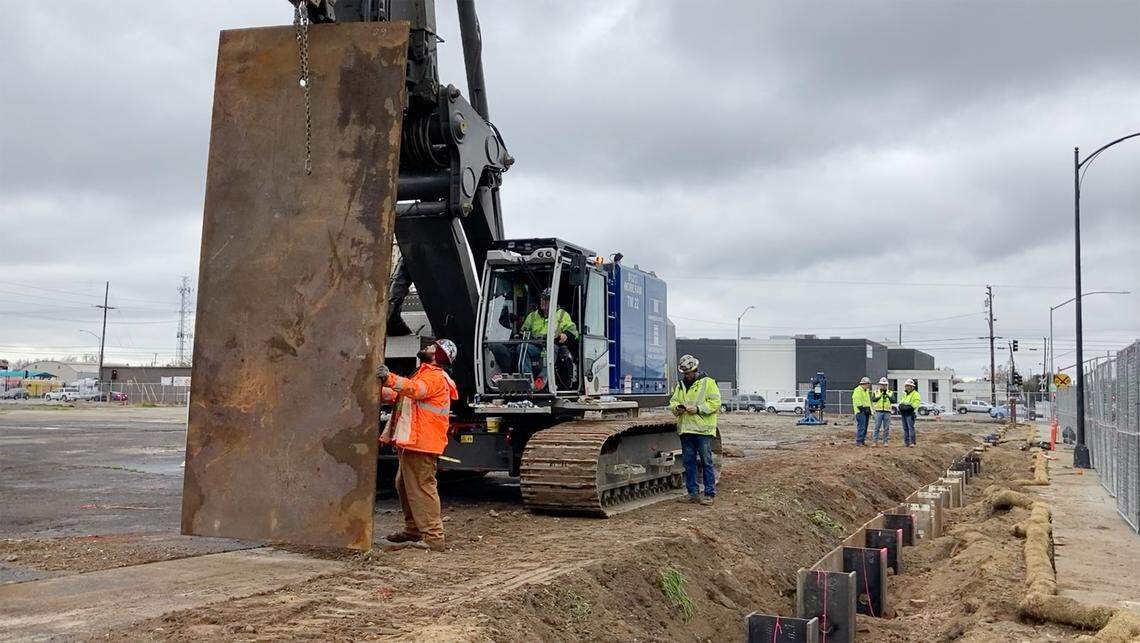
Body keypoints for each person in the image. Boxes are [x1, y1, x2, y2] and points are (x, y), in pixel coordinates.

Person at [377, 338, 459, 552]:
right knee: (404, 485)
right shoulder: (423, 373)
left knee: (421, 488)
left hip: (422, 442)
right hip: (414, 441)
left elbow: (415, 390)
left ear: (438, 356)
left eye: (432, 347)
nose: (427, 347)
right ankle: (413, 530)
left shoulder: (435, 377)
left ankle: (433, 538)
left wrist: (388, 378)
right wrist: (380, 390)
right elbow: (404, 395)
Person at [668, 354, 721, 505]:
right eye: (684, 373)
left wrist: (698, 409)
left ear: (695, 370)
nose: (686, 375)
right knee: (689, 463)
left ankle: (709, 493)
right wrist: (677, 408)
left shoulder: (708, 383)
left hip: (703, 431)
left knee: (706, 462)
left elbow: (715, 403)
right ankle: (693, 493)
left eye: (688, 373)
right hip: (686, 430)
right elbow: (673, 402)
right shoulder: (681, 385)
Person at [519, 287, 579, 387]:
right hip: (535, 346)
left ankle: (541, 380)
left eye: (546, 299)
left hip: (552, 345)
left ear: (553, 301)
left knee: (550, 350)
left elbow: (574, 333)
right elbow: (523, 332)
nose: (543, 301)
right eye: (542, 298)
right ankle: (527, 380)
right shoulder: (532, 316)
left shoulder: (562, 314)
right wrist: (522, 336)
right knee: (522, 347)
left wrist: (565, 335)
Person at [870, 377, 895, 447]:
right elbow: (873, 399)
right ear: (879, 385)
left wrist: (887, 395)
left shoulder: (890, 392)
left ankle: (885, 442)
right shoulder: (876, 392)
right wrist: (881, 395)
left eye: (885, 385)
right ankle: (875, 442)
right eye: (882, 384)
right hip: (878, 411)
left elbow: (893, 400)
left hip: (887, 412)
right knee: (876, 427)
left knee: (886, 428)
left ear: (887, 385)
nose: (883, 386)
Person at [898, 379, 921, 447]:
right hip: (904, 413)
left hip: (910, 413)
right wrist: (901, 407)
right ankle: (906, 442)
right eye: (906, 386)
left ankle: (912, 442)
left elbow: (916, 403)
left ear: (912, 387)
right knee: (905, 428)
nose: (907, 387)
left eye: (908, 386)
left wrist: (909, 407)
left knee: (911, 428)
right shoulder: (904, 394)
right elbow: (901, 402)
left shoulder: (916, 394)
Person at [852, 376, 872, 446]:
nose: (868, 386)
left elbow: (868, 401)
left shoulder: (866, 391)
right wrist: (863, 409)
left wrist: (870, 411)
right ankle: (859, 441)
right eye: (868, 384)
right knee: (861, 427)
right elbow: (857, 401)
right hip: (860, 412)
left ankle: (862, 440)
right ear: (864, 384)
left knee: (865, 427)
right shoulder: (857, 390)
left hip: (865, 411)